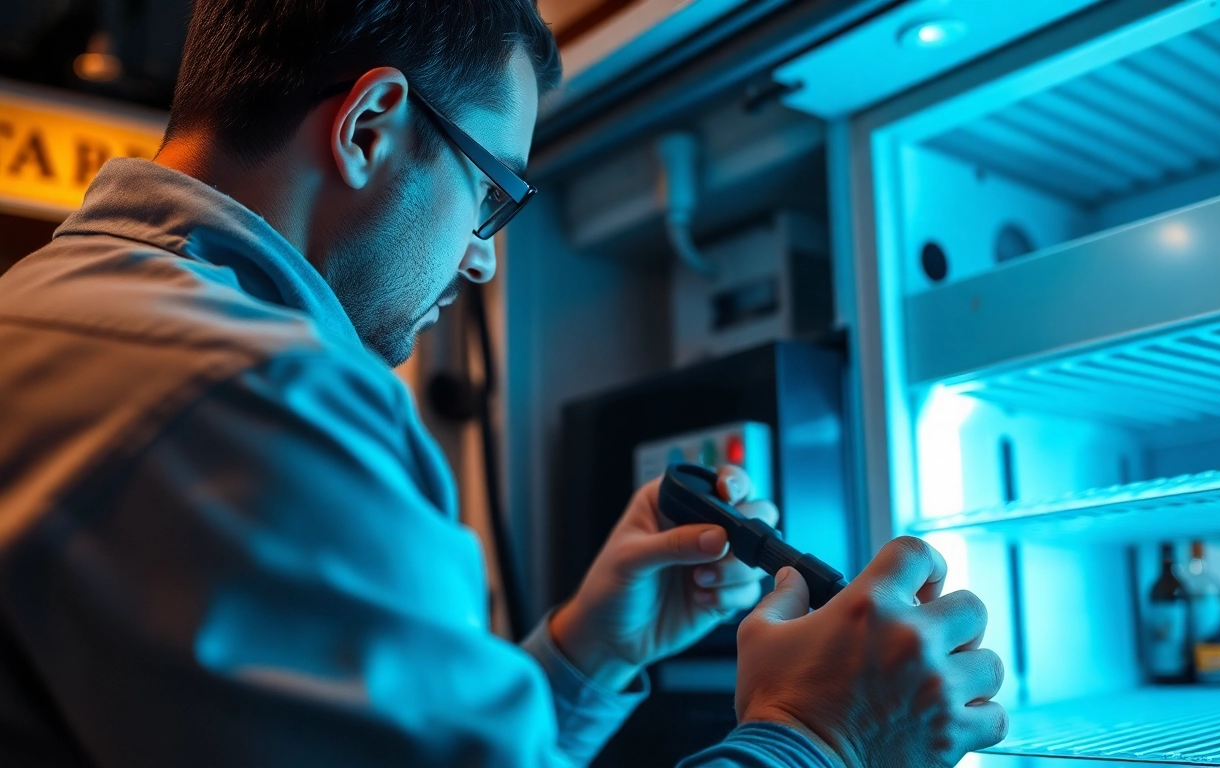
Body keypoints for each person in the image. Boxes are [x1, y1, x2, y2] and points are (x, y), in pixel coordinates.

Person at [0, 0, 1006, 765]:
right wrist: (818, 735)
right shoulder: (257, 391)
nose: (481, 259)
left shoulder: (61, 309)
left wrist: (579, 658)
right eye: (488, 192)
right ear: (369, 125)